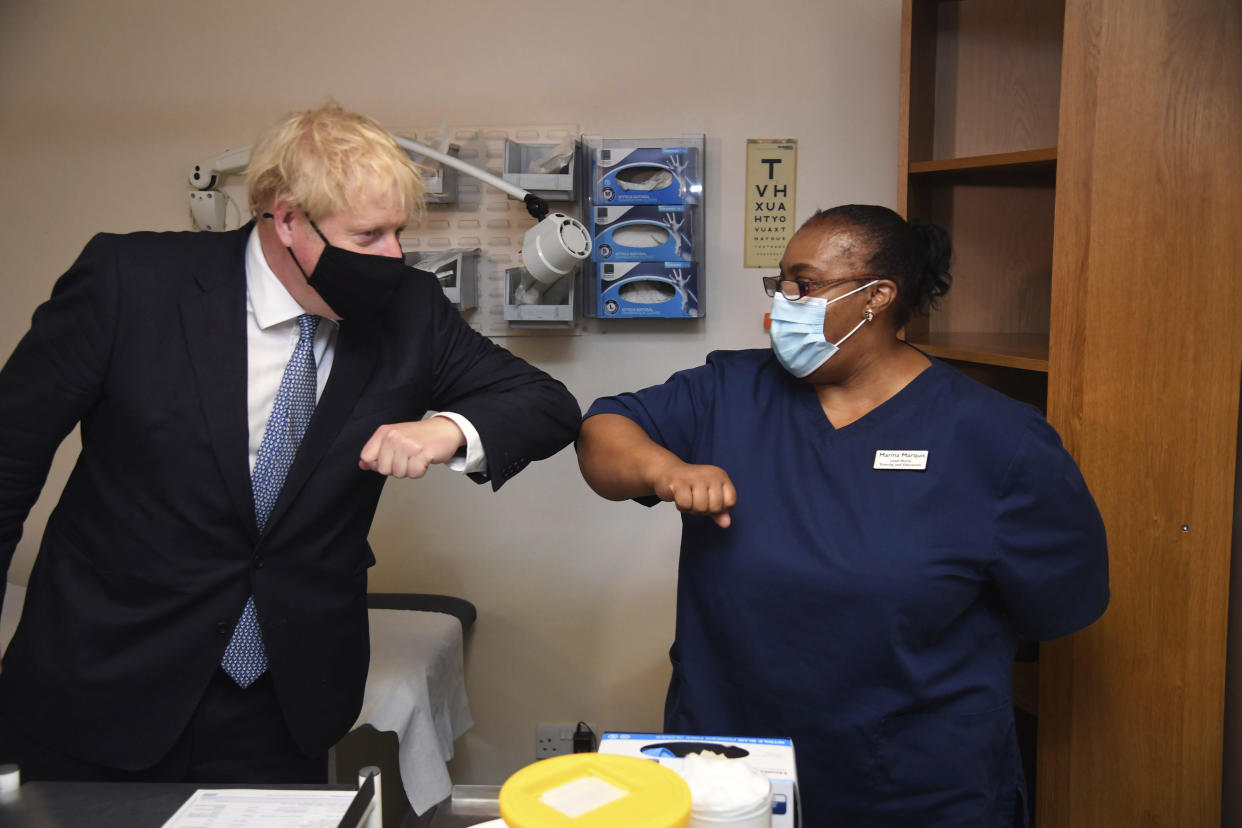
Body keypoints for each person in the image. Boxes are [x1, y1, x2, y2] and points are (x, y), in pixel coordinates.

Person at [0, 103, 581, 784]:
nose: (393, 256)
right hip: (104, 678)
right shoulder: (131, 283)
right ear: (285, 220)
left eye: (399, 231)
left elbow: (548, 406)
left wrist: (445, 429)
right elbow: (9, 458)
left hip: (281, 701)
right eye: (367, 235)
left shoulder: (410, 312)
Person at [577, 204, 1109, 826]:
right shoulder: (732, 390)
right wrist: (667, 472)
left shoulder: (997, 439)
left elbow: (1056, 608)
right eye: (780, 283)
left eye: (804, 284)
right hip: (732, 772)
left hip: (914, 785)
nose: (780, 305)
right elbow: (602, 431)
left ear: (876, 297)